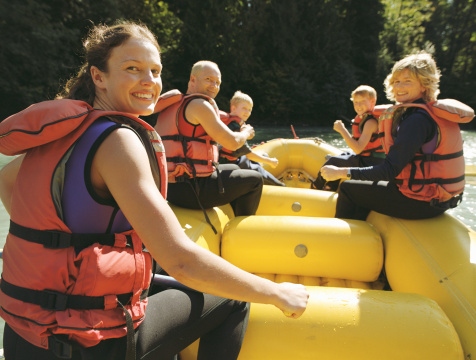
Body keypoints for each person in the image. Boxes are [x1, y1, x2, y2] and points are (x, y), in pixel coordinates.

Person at [0, 22, 308, 360]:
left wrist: (56, 251)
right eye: (133, 68)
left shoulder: (62, 131)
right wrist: (278, 293)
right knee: (233, 300)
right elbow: (182, 262)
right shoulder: (117, 140)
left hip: (23, 336)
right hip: (86, 346)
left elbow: (7, 180)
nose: (149, 80)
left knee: (151, 280)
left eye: (155, 70)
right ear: (98, 76)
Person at [320, 51, 466, 220]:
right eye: (396, 81)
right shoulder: (429, 112)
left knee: (348, 188)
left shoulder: (416, 120)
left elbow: (389, 170)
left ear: (424, 84)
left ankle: (343, 244)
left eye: (407, 81)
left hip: (422, 202)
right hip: (438, 198)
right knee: (363, 186)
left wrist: (340, 172)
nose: (398, 87)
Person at [151, 61, 264, 218]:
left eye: (217, 82)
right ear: (193, 79)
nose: (214, 85)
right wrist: (245, 132)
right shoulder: (199, 105)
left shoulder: (174, 104)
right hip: (191, 191)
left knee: (235, 170)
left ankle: (232, 217)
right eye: (209, 79)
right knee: (255, 180)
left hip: (170, 187)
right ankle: (241, 232)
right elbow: (231, 142)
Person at [312, 85, 384, 191]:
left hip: (371, 162)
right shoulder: (366, 119)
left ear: (372, 102)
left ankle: (315, 186)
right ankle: (330, 187)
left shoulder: (370, 122)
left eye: (362, 101)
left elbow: (358, 149)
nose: (358, 105)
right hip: (369, 158)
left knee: (334, 161)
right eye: (355, 102)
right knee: (344, 155)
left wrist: (342, 130)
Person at [219, 90, 285, 186]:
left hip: (233, 158)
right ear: (233, 108)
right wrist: (270, 162)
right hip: (229, 163)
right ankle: (281, 186)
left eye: (249, 110)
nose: (247, 112)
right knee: (258, 168)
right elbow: (249, 155)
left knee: (261, 158)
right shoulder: (235, 127)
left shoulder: (230, 122)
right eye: (244, 108)